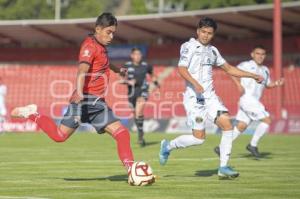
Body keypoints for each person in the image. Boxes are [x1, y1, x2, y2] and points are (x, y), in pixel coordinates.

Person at [11, 13, 147, 183]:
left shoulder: (102, 46)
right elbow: (82, 71)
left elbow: (104, 62)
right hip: (84, 101)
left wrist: (117, 70)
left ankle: (132, 171)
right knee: (59, 137)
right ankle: (31, 113)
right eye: (109, 32)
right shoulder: (89, 47)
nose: (111, 36)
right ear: (98, 29)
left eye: (113, 33)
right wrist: (80, 93)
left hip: (97, 104)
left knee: (122, 133)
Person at [158, 17, 264, 179]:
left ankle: (223, 167)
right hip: (194, 99)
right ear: (198, 31)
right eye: (204, 32)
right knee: (198, 139)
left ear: (213, 34)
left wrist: (251, 75)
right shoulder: (188, 46)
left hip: (211, 97)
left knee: (227, 125)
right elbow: (181, 68)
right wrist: (195, 83)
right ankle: (168, 146)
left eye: (209, 33)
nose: (206, 35)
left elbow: (228, 68)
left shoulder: (213, 51)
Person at [214, 45, 284, 158]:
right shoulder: (246, 65)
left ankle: (221, 147)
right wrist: (238, 85)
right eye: (258, 53)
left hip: (252, 101)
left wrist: (276, 83)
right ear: (252, 54)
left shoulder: (265, 70)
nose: (260, 56)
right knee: (267, 120)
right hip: (247, 99)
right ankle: (253, 145)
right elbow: (231, 72)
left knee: (241, 126)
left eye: (262, 54)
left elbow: (267, 85)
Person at [121, 47, 159, 147]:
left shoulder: (146, 65)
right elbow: (120, 78)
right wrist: (128, 81)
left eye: (139, 54)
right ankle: (140, 132)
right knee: (135, 114)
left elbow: (153, 75)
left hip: (143, 91)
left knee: (138, 111)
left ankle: (141, 136)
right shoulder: (126, 65)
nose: (138, 56)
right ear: (132, 56)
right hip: (131, 92)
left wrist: (156, 84)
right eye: (136, 54)